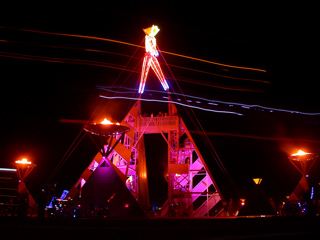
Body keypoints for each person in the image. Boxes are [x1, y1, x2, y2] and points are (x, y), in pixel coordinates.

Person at [138, 25, 169, 94]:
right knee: (146, 73)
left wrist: (155, 52)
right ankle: (140, 91)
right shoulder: (149, 37)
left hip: (151, 55)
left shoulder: (152, 38)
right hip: (149, 55)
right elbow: (152, 46)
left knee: (158, 71)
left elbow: (153, 46)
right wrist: (156, 52)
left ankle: (166, 88)